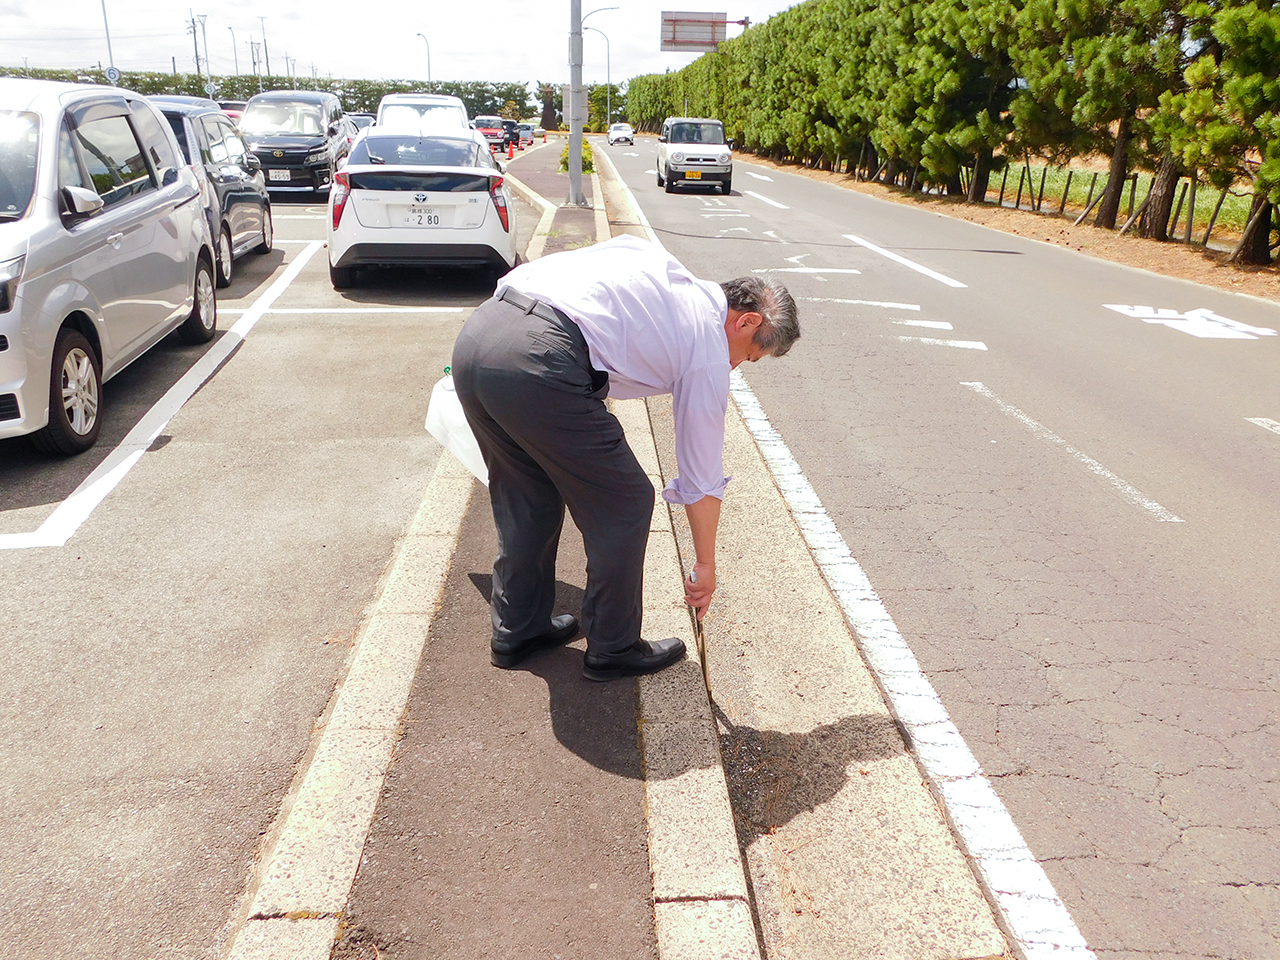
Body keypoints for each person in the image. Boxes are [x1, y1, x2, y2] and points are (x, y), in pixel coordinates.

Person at [451, 235, 799, 681]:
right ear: (747, 321)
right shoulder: (708, 346)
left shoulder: (659, 266)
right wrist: (706, 565)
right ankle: (613, 647)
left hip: (481, 334)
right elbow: (701, 473)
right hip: (541, 360)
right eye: (749, 356)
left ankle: (518, 629)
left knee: (528, 494)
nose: (737, 367)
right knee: (626, 502)